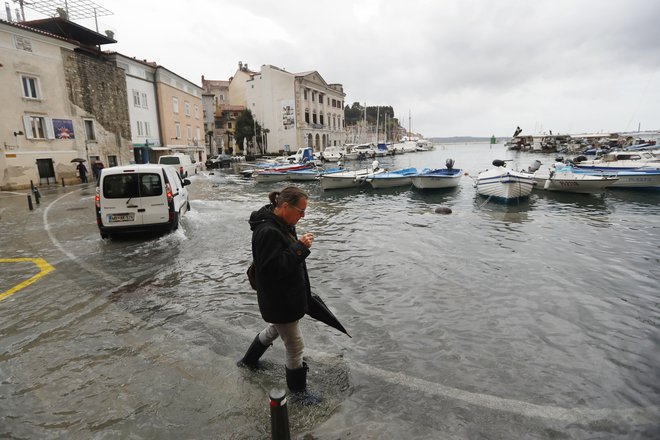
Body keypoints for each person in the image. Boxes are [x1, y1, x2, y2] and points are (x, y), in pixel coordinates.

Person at [238, 186, 319, 403]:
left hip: (282, 298)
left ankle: (248, 361)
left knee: (275, 329)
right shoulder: (268, 231)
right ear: (284, 207)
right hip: (280, 300)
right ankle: (299, 394)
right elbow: (271, 271)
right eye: (301, 211)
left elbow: (280, 259)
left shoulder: (281, 224)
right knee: (295, 346)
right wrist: (300, 247)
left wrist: (297, 246)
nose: (303, 216)